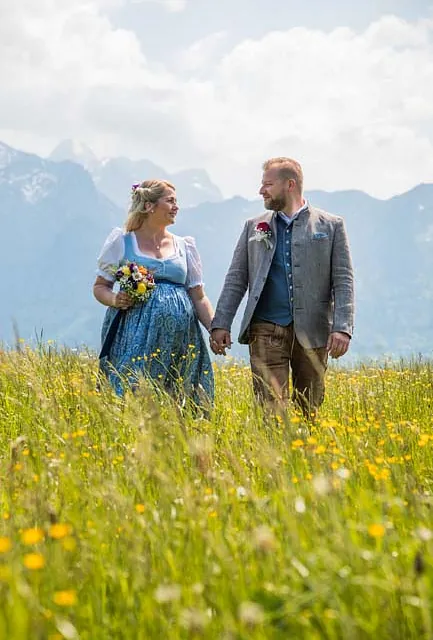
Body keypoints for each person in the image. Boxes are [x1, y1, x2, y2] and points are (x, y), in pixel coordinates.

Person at [210, 157, 354, 418]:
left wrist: (342, 328)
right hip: (266, 328)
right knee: (270, 411)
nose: (261, 190)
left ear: (290, 184)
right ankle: (273, 456)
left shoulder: (331, 226)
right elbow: (236, 278)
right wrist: (221, 323)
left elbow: (343, 280)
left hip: (314, 330)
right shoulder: (253, 226)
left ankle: (302, 458)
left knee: (308, 409)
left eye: (267, 184)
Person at [93, 179, 214, 406]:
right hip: (133, 334)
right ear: (149, 206)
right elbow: (100, 287)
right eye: (170, 201)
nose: (176, 207)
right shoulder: (122, 241)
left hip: (182, 337)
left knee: (179, 395)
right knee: (133, 391)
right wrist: (115, 299)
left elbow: (198, 296)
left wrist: (214, 329)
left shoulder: (184, 246)